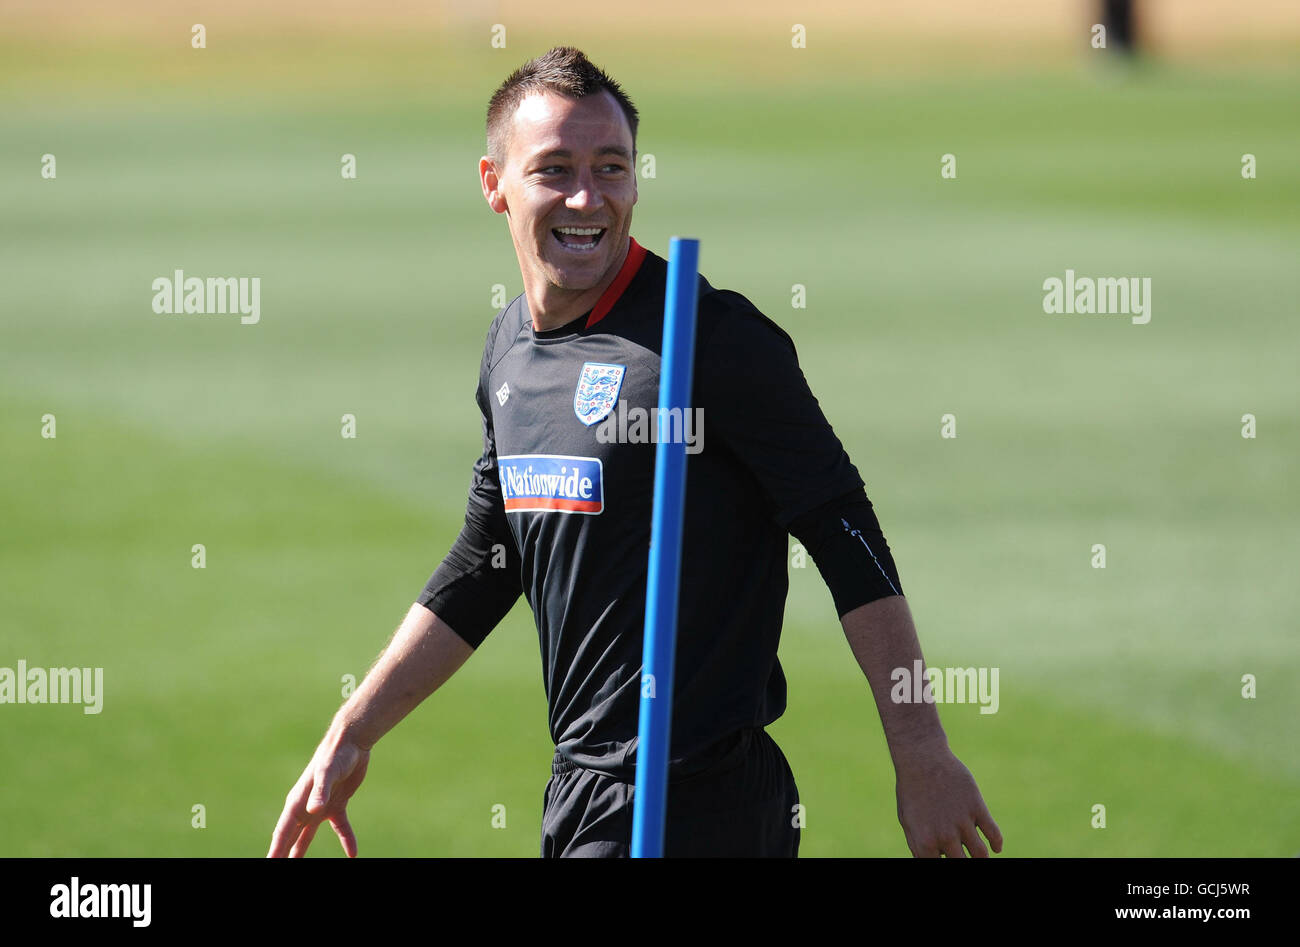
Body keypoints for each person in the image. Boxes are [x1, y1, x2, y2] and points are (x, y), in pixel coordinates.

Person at [268, 46, 1002, 859]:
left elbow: (845, 534)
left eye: (611, 167)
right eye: (555, 169)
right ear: (493, 183)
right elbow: (491, 559)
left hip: (701, 800)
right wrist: (355, 726)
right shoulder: (508, 349)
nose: (588, 196)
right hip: (584, 789)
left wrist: (921, 751)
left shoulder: (711, 341)